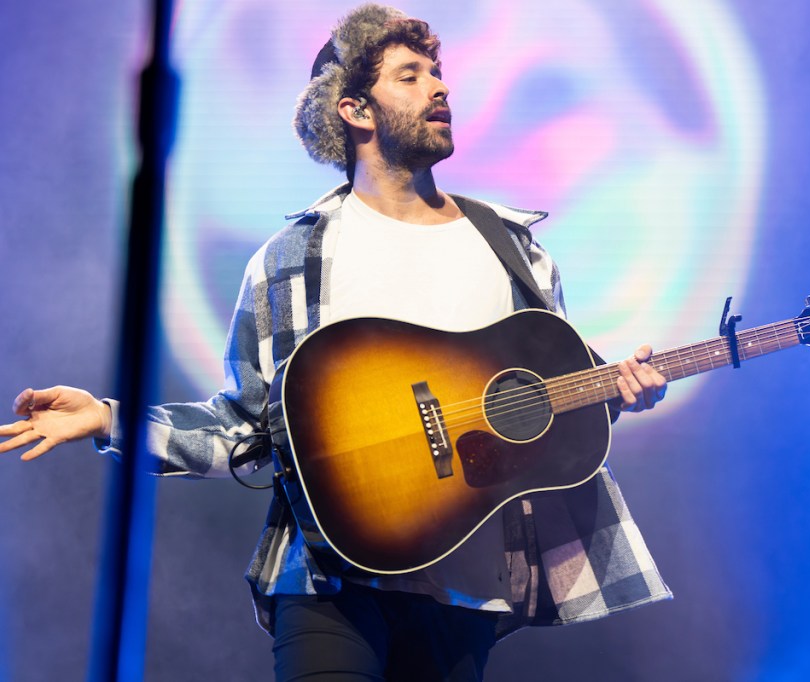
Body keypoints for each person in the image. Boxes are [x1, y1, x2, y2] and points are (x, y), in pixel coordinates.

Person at [0, 4, 671, 680]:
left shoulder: (517, 253)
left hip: (468, 589)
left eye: (437, 72)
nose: (439, 86)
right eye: (410, 75)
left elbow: (537, 420)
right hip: (327, 580)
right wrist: (110, 420)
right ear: (355, 110)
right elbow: (244, 430)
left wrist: (610, 395)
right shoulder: (291, 261)